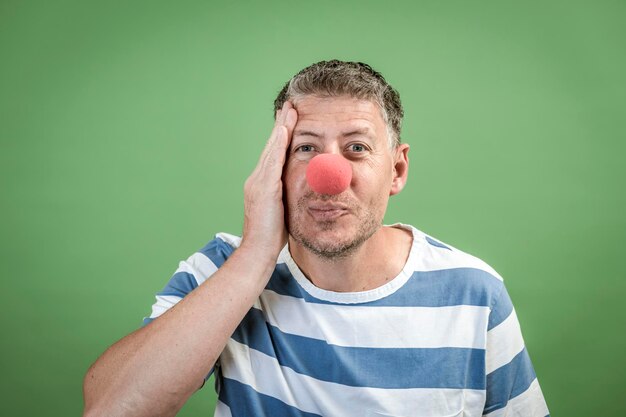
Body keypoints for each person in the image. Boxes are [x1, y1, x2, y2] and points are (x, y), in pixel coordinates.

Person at [82, 60, 549, 417]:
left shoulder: (473, 293)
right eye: (305, 147)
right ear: (276, 167)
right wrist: (255, 256)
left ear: (397, 170)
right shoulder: (222, 270)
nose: (329, 175)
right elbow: (110, 408)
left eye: (357, 148)